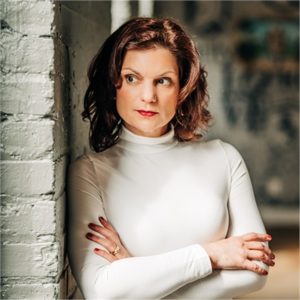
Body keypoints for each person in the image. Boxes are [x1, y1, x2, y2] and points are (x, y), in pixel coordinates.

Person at [67, 17, 275, 299]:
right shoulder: (89, 172)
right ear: (113, 83)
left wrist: (137, 277)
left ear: (182, 89)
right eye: (132, 78)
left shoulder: (224, 158)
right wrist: (210, 256)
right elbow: (102, 290)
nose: (148, 96)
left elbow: (256, 269)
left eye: (163, 81)